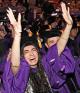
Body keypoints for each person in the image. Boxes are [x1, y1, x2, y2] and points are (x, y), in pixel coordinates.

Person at [2, 2, 74, 93]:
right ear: (22, 56)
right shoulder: (22, 71)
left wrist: (69, 26)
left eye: (33, 49)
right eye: (26, 51)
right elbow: (15, 64)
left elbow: (58, 48)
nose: (31, 53)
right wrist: (17, 35)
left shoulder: (44, 64)